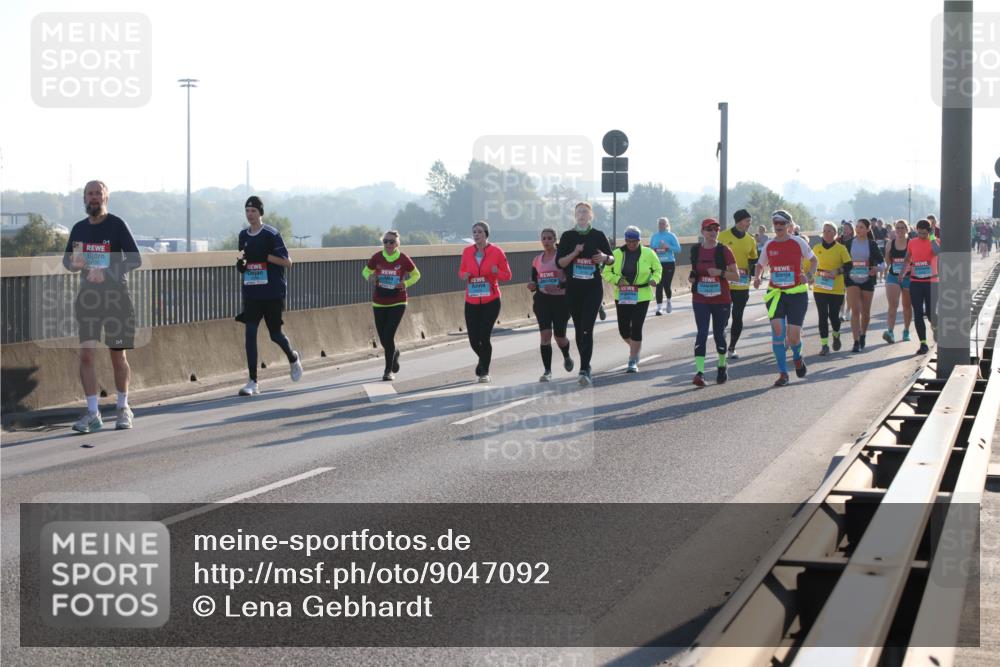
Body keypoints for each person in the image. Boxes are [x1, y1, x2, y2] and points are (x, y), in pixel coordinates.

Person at [63, 180, 142, 433]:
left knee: (118, 355)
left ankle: (123, 407)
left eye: (98, 193)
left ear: (106, 197)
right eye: (89, 194)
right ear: (84, 198)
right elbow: (69, 261)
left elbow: (135, 258)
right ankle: (93, 413)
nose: (94, 197)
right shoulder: (78, 229)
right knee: (86, 355)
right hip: (88, 300)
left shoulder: (117, 225)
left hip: (116, 299)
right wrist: (76, 264)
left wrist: (106, 272)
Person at [235, 196, 303, 396]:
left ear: (260, 213)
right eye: (247, 211)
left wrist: (265, 256)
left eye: (253, 211)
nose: (250, 215)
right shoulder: (243, 235)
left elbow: (288, 262)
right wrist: (242, 265)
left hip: (272, 291)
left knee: (275, 335)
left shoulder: (271, 234)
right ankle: (252, 381)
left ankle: (292, 358)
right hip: (252, 291)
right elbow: (246, 259)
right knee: (250, 333)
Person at [753, 210, 817, 386]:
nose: (778, 226)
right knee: (779, 333)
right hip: (776, 294)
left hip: (796, 294)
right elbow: (760, 264)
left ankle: (797, 356)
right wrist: (757, 277)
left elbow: (814, 260)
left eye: (782, 223)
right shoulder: (769, 245)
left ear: (789, 225)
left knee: (794, 337)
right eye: (776, 223)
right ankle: (783, 373)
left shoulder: (798, 242)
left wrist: (810, 275)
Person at [558, 202, 615, 386]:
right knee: (578, 327)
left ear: (591, 216)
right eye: (578, 212)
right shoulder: (568, 236)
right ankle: (585, 365)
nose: (582, 215)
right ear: (574, 215)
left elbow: (611, 258)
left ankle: (584, 368)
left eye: (585, 212)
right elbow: (560, 263)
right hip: (574, 288)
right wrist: (575, 252)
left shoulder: (597, 235)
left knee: (586, 327)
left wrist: (604, 258)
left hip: (593, 288)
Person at [362, 230, 421, 381]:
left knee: (389, 335)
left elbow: (416, 275)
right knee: (383, 339)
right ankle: (394, 353)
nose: (388, 244)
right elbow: (365, 272)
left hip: (398, 301)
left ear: (397, 243)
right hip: (379, 301)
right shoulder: (377, 257)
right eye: (386, 241)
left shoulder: (403, 258)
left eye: (392, 242)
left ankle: (388, 371)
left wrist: (405, 283)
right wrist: (370, 277)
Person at [459, 221, 512, 383]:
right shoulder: (467, 252)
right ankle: (483, 360)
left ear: (486, 234)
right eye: (474, 232)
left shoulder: (497, 252)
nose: (476, 235)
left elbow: (507, 275)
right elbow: (461, 272)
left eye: (480, 232)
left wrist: (497, 271)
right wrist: (465, 275)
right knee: (473, 339)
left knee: (484, 335)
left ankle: (485, 371)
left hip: (491, 300)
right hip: (472, 300)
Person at [603, 226, 661, 373]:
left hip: (642, 294)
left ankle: (632, 359)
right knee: (623, 330)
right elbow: (606, 271)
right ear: (625, 240)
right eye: (628, 241)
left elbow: (657, 269)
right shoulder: (616, 253)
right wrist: (617, 279)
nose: (631, 244)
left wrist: (655, 279)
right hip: (622, 295)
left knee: (636, 326)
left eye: (634, 241)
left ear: (639, 240)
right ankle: (635, 347)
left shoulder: (648, 253)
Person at [689, 218, 738, 386]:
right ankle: (700, 373)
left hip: (721, 300)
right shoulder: (696, 250)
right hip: (700, 298)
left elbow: (736, 276)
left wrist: (719, 272)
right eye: (709, 229)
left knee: (718, 335)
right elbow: (694, 271)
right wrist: (692, 277)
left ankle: (722, 365)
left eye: (716, 229)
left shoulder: (724, 251)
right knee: (702, 333)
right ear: (702, 231)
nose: (713, 232)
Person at [527, 228, 574, 381]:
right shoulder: (537, 260)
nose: (546, 241)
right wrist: (532, 285)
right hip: (542, 301)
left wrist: (561, 285)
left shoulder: (562, 258)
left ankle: (566, 355)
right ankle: (547, 371)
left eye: (549, 238)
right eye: (544, 238)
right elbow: (534, 279)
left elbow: (571, 279)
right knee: (545, 335)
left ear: (554, 239)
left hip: (561, 301)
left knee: (559, 337)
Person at [718, 208, 758, 359]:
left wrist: (752, 273)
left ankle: (732, 347)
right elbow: (716, 255)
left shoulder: (750, 240)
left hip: (742, 284)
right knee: (724, 316)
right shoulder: (722, 236)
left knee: (738, 316)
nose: (749, 224)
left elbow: (753, 259)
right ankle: (721, 343)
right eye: (747, 221)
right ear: (739, 221)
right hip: (725, 283)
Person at [810, 222, 852, 356]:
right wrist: (809, 275)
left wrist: (837, 271)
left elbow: (849, 265)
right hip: (820, 287)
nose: (826, 234)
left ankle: (836, 334)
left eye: (829, 231)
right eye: (824, 231)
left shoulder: (841, 248)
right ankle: (824, 345)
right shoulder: (816, 248)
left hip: (836, 289)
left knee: (833, 316)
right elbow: (808, 264)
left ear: (835, 233)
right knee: (822, 316)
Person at [844, 219, 884, 352]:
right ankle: (855, 341)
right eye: (857, 227)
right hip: (852, 280)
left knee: (865, 313)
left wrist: (876, 269)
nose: (858, 229)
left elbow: (882, 263)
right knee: (855, 310)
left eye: (861, 227)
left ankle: (863, 335)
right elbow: (843, 262)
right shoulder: (849, 243)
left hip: (867, 280)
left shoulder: (872, 244)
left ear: (867, 229)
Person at [903, 219, 940, 355]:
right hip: (916, 282)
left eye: (924, 233)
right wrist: (902, 273)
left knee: (931, 314)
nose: (921, 236)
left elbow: (937, 252)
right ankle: (923, 343)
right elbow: (908, 258)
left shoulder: (934, 241)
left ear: (929, 232)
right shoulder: (912, 242)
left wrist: (931, 238)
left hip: (932, 282)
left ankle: (935, 326)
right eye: (919, 233)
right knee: (918, 314)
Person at [882, 219, 913, 344]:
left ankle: (906, 330)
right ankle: (890, 332)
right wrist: (884, 273)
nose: (900, 230)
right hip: (893, 277)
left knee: (906, 306)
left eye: (902, 228)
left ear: (907, 229)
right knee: (892, 305)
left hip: (908, 277)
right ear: (895, 229)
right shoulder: (890, 243)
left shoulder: (911, 243)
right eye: (898, 228)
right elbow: (887, 261)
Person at [649, 217, 681, 315]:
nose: (661, 225)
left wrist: (667, 247)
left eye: (663, 224)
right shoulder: (654, 236)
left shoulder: (671, 236)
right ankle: (659, 308)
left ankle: (669, 301)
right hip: (657, 263)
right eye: (659, 224)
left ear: (667, 225)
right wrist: (654, 250)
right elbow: (650, 250)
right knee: (659, 285)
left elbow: (678, 249)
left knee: (666, 285)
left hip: (669, 263)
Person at [872, 219, 889, 283]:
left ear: (882, 223)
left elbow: (887, 237)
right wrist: (875, 241)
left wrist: (885, 239)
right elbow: (873, 238)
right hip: (876, 248)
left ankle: (881, 277)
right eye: (878, 223)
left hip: (883, 248)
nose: (879, 224)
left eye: (880, 223)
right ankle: (876, 277)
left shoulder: (885, 230)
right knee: (875, 263)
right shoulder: (874, 229)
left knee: (882, 263)